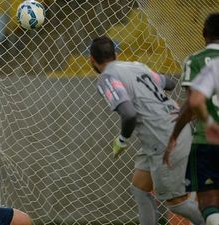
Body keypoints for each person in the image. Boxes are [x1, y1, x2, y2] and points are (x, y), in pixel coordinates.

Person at [91, 36, 204, 225]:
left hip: (164, 138)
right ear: (115, 55)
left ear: (91, 60)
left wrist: (122, 140)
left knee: (176, 203)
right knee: (140, 188)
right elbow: (169, 82)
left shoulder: (107, 78)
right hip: (169, 129)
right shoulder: (136, 66)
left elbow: (129, 114)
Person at [163, 13, 219, 225]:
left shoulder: (195, 60)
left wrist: (174, 137)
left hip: (208, 140)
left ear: (203, 33)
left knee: (208, 202)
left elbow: (193, 106)